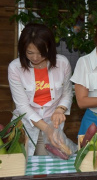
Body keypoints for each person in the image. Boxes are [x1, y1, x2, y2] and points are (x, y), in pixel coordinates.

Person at [8, 23, 73, 156]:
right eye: (30, 53)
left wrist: (60, 110)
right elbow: (22, 106)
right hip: (25, 125)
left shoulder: (62, 63)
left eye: (41, 53)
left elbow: (67, 93)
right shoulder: (15, 68)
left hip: (53, 124)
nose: (36, 58)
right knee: (22, 166)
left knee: (51, 166)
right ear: (23, 49)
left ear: (49, 48)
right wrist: (47, 129)